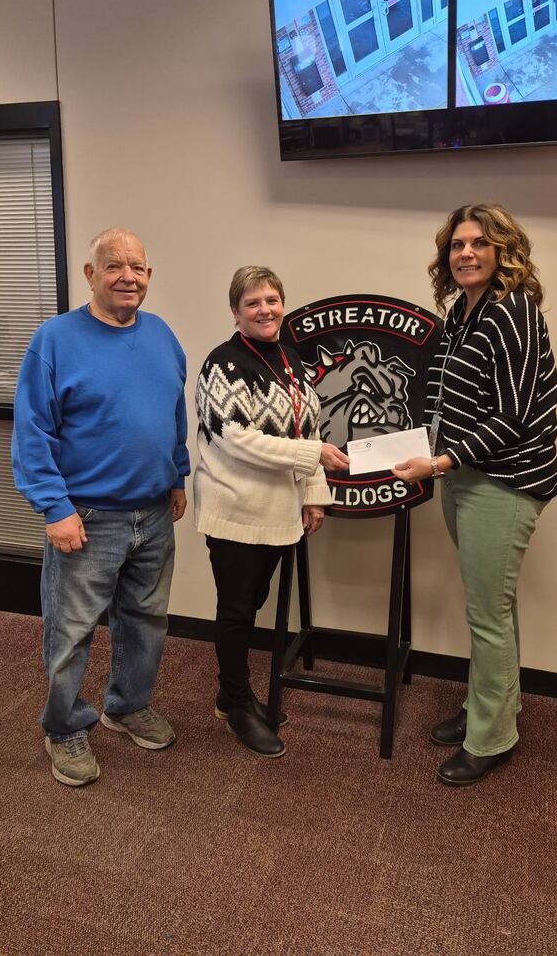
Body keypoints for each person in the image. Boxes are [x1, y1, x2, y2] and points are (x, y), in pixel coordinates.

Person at [12, 228, 190, 787]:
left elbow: (172, 413)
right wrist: (53, 507)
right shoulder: (56, 339)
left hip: (154, 512)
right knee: (71, 630)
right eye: (114, 266)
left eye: (137, 267)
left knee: (145, 621)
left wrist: (177, 476)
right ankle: (64, 728)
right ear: (91, 275)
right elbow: (32, 431)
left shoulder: (161, 334)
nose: (128, 277)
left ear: (149, 276)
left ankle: (126, 705)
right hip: (86, 517)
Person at [393, 204, 557, 786]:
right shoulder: (464, 312)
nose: (465, 253)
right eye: (457, 245)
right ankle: (494, 705)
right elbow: (446, 400)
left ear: (502, 252)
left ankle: (490, 737)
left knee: (487, 614)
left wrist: (437, 462)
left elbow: (513, 416)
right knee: (496, 608)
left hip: (503, 481)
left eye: (478, 244)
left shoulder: (512, 312)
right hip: (464, 475)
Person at [194, 266, 349, 758]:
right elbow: (235, 439)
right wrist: (313, 459)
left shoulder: (290, 358)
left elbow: (311, 429)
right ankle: (237, 704)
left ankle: (229, 691)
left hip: (280, 511)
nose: (265, 310)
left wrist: (313, 493)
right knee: (237, 611)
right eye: (253, 302)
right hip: (236, 508)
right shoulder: (222, 363)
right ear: (236, 311)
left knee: (252, 601)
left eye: (272, 300)